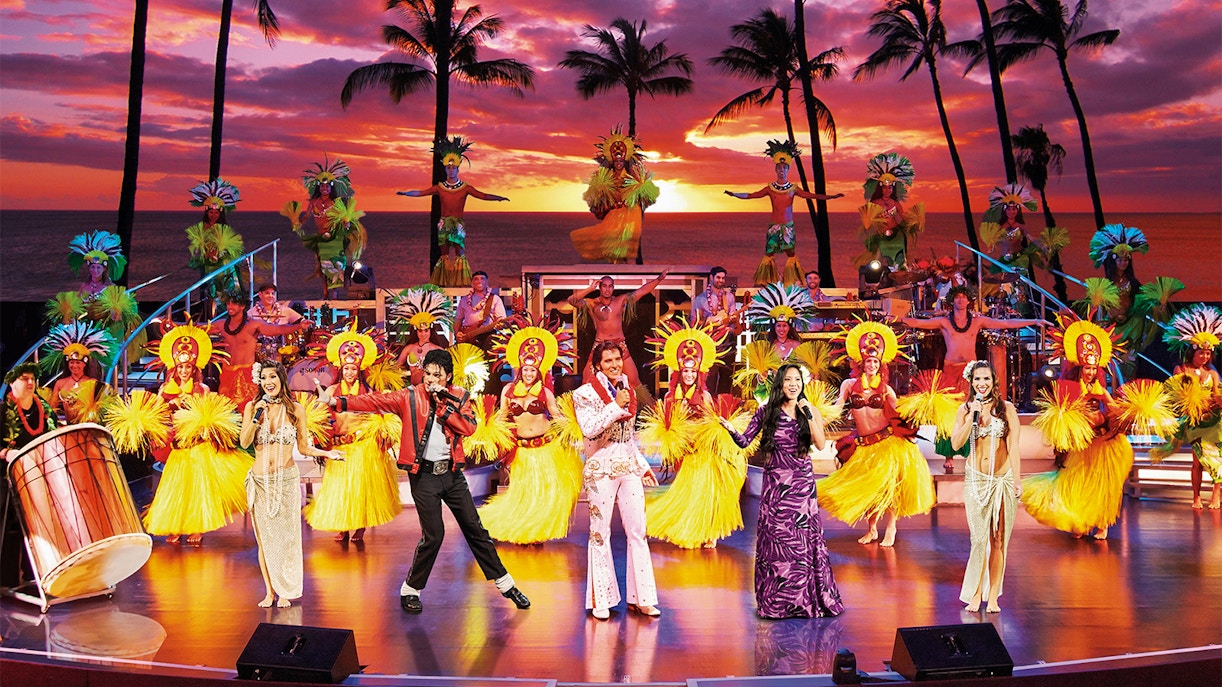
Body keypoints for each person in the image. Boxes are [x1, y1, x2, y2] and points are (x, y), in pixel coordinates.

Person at [323, 348, 530, 614]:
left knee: (476, 530)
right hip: (423, 476)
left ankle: (506, 584)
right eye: (427, 374)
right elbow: (374, 401)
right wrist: (337, 403)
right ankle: (410, 589)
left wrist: (443, 408)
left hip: (452, 475)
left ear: (448, 377)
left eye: (437, 376)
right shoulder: (409, 396)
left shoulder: (459, 397)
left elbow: (468, 428)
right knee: (434, 536)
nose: (431, 380)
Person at [722, 364, 843, 618]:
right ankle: (777, 602)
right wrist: (731, 429)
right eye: (787, 379)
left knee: (800, 544)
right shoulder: (767, 412)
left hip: (801, 485)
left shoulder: (810, 410)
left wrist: (808, 415)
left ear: (802, 384)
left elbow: (820, 444)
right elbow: (745, 441)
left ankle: (803, 601)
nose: (792, 384)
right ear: (780, 383)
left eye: (796, 380)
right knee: (777, 543)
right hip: (776, 485)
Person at [902, 285, 1043, 472]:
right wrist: (895, 318)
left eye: (964, 296)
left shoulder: (976, 322)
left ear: (969, 301)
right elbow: (917, 323)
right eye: (957, 297)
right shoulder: (944, 322)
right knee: (950, 414)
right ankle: (949, 455)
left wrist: (1034, 321)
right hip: (951, 369)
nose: (961, 299)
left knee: (975, 411)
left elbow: (1005, 324)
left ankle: (977, 453)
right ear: (952, 300)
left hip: (971, 372)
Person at [818, 321, 934, 547]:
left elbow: (902, 411)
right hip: (864, 446)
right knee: (869, 490)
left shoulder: (886, 389)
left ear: (880, 364)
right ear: (861, 363)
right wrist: (819, 416)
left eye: (875, 361)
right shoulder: (849, 385)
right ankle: (871, 529)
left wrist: (925, 405)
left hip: (886, 443)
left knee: (888, 489)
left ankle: (891, 527)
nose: (871, 364)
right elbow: (837, 407)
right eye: (868, 361)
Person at [239, 362, 340, 607]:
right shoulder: (253, 407)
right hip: (260, 481)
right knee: (264, 539)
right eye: (263, 378)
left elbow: (304, 446)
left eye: (273, 376)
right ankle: (269, 592)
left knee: (286, 538)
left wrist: (327, 454)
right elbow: (244, 442)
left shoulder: (295, 409)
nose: (268, 382)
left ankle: (285, 590)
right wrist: (255, 418)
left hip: (285, 480)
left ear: (282, 379)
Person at [1022, 316, 1132, 540]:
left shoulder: (1101, 388)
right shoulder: (1071, 387)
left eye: (1094, 368)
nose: (1090, 372)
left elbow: (1113, 409)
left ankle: (1102, 524)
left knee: (1102, 484)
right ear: (1080, 368)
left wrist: (1117, 414)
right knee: (1078, 482)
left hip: (1101, 442)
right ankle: (1078, 519)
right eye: (1087, 368)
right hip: (1081, 443)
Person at [573, 341, 660, 619]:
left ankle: (642, 598)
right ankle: (602, 599)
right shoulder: (584, 394)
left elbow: (629, 436)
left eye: (617, 359)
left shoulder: (628, 391)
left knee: (638, 531)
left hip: (628, 467)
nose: (614, 365)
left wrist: (643, 465)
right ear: (598, 365)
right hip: (601, 469)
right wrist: (614, 406)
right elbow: (590, 430)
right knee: (600, 533)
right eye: (608, 360)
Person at [145, 321, 251, 547]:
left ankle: (195, 528)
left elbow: (207, 416)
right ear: (174, 367)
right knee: (174, 491)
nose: (184, 371)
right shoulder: (164, 390)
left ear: (194, 369)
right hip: (177, 448)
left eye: (188, 368)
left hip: (196, 447)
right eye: (181, 367)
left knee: (196, 491)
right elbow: (155, 413)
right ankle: (174, 527)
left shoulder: (202, 390)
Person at [644, 321, 746, 549]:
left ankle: (710, 532)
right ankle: (690, 529)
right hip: (687, 453)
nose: (689, 375)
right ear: (679, 371)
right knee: (688, 494)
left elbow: (712, 420)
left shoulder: (705, 395)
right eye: (685, 371)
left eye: (693, 371)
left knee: (705, 492)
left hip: (703, 451)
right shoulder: (671, 397)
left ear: (698, 373)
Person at [478, 320, 582, 543]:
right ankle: (525, 530)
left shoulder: (544, 392)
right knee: (524, 495)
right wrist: (487, 429)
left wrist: (573, 427)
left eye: (532, 370)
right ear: (519, 370)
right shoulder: (508, 390)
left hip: (545, 448)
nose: (528, 373)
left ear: (538, 371)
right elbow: (502, 416)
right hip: (522, 452)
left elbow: (555, 415)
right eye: (525, 369)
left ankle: (537, 532)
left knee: (543, 494)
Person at [304, 329, 403, 543]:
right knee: (339, 490)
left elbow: (381, 417)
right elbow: (319, 417)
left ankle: (359, 526)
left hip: (361, 447)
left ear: (359, 371)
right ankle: (343, 527)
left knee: (358, 491)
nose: (350, 372)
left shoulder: (368, 393)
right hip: (338, 447)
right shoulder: (330, 391)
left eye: (353, 369)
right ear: (341, 369)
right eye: (346, 368)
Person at [950, 360, 1021, 613]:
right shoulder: (965, 409)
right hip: (976, 480)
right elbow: (957, 444)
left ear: (994, 382)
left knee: (998, 539)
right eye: (978, 379)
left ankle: (993, 596)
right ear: (971, 382)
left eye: (987, 379)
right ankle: (976, 592)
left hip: (1002, 479)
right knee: (979, 540)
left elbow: (1013, 446)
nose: (982, 384)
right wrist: (972, 416)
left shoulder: (1006, 408)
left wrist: (1018, 480)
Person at [724, 140, 844, 285]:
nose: (782, 170)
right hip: (774, 226)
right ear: (776, 170)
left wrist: (830, 197)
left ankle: (792, 280)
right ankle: (766, 280)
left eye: (784, 168)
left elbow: (811, 195)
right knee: (769, 253)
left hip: (787, 227)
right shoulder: (770, 188)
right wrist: (734, 194)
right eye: (779, 168)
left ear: (788, 170)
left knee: (791, 253)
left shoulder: (793, 188)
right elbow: (751, 195)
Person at [398, 136, 510, 286]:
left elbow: (482, 195)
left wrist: (498, 198)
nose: (451, 171)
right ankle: (442, 282)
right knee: (444, 255)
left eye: (453, 168)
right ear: (445, 169)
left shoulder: (465, 187)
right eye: (448, 168)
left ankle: (461, 282)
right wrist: (406, 193)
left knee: (460, 253)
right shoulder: (440, 187)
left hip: (457, 224)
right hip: (444, 224)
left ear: (458, 169)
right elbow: (421, 192)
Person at [0, 363, 58, 588]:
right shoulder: (3, 412)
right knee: (9, 522)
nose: (31, 383)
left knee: (39, 524)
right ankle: (6, 580)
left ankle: (37, 576)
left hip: (38, 477)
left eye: (33, 379)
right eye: (25, 379)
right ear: (12, 384)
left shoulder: (45, 410)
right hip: (8, 478)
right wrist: (6, 453)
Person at [1161, 304, 1222, 509]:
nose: (1204, 357)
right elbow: (1177, 396)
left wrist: (1213, 403)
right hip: (1194, 422)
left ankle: (1215, 495)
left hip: (1213, 421)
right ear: (1192, 352)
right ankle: (1196, 497)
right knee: (1197, 461)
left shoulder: (1212, 374)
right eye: (1201, 353)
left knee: (1216, 459)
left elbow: (1217, 396)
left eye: (1207, 354)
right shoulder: (1181, 369)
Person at [570, 127, 659, 264]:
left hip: (630, 212)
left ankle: (623, 267)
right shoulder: (607, 177)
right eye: (616, 161)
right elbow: (597, 197)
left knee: (624, 244)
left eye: (621, 161)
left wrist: (636, 192)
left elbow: (644, 193)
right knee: (609, 241)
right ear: (612, 161)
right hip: (614, 213)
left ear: (625, 161)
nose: (618, 163)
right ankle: (616, 267)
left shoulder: (631, 176)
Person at [567, 270, 669, 388]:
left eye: (610, 286)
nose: (607, 289)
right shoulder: (593, 303)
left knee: (634, 380)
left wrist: (659, 279)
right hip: (600, 344)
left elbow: (642, 291)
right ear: (599, 287)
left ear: (613, 288)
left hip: (619, 344)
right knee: (587, 380)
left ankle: (644, 405)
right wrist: (590, 288)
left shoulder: (620, 301)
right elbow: (571, 300)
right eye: (604, 286)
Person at [284, 157, 367, 297]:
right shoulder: (313, 202)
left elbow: (341, 217)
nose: (324, 189)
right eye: (322, 186)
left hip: (335, 238)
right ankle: (325, 291)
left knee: (336, 265)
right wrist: (298, 223)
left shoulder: (335, 202)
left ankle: (334, 292)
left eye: (327, 186)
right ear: (318, 187)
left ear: (331, 187)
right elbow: (306, 216)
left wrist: (345, 223)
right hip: (321, 238)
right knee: (322, 265)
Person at [211, 292, 308, 411]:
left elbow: (277, 329)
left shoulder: (253, 325)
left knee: (250, 409)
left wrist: (299, 326)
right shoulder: (220, 325)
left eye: (234, 304)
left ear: (242, 306)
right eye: (228, 303)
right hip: (227, 372)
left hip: (247, 373)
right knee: (226, 411)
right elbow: (200, 331)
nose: (230, 306)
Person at [856, 153, 923, 270]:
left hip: (895, 237)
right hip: (880, 237)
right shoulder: (874, 204)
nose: (888, 190)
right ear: (881, 188)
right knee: (876, 262)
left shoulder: (896, 204)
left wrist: (900, 217)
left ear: (893, 189)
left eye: (890, 188)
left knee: (899, 261)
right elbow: (869, 224)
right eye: (885, 188)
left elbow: (901, 222)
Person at [43, 321, 114, 424]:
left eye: (78, 363)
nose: (74, 366)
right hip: (69, 426)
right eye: (71, 362)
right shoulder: (60, 383)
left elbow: (100, 410)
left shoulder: (92, 383)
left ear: (84, 364)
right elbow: (53, 409)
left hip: (87, 428)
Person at [185, 179, 245, 300]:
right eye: (211, 212)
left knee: (230, 290)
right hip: (209, 264)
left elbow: (232, 248)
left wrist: (220, 254)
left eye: (216, 213)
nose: (213, 215)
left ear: (220, 213)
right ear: (207, 212)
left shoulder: (224, 229)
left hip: (224, 264)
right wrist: (205, 255)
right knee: (214, 292)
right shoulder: (200, 229)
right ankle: (218, 313)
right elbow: (197, 248)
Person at [690, 266, 742, 395]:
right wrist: (711, 321)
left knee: (727, 375)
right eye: (718, 277)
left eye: (723, 278)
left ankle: (723, 408)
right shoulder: (700, 299)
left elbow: (732, 317)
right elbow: (694, 323)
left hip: (727, 340)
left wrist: (733, 319)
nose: (721, 280)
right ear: (711, 278)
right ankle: (708, 406)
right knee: (710, 376)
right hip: (710, 341)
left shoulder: (729, 297)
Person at [391, 287, 454, 386]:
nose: (423, 334)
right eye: (420, 331)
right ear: (416, 331)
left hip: (431, 389)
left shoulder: (437, 349)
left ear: (431, 331)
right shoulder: (409, 348)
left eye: (426, 330)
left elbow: (445, 372)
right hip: (414, 389)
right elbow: (396, 368)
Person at [249, 282, 305, 364]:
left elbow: (300, 320)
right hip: (259, 354)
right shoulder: (251, 313)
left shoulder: (285, 310)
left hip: (283, 352)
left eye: (273, 293)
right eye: (267, 293)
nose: (271, 296)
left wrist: (304, 323)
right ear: (260, 295)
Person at [67, 231, 127, 302]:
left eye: (98, 267)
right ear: (89, 268)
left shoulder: (110, 287)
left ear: (104, 268)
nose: (95, 270)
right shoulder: (84, 286)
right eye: (93, 267)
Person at [454, 271, 510, 349]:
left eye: (482, 279)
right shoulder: (464, 299)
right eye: (476, 279)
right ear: (472, 283)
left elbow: (501, 319)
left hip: (487, 336)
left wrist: (500, 324)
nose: (479, 281)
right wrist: (457, 333)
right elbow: (458, 319)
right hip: (467, 335)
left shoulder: (495, 299)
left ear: (487, 282)